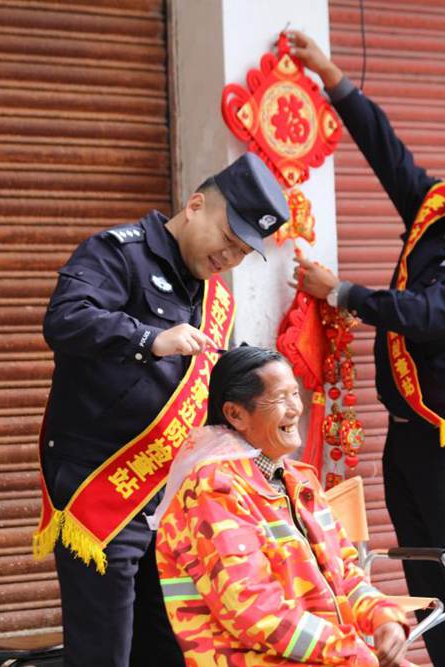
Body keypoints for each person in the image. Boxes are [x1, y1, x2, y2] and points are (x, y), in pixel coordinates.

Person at [285, 31, 445, 667]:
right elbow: (388, 152)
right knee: (429, 579)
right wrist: (332, 78)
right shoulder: (434, 210)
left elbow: (428, 316)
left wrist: (340, 292)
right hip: (408, 439)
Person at [34, 152, 290, 666]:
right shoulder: (117, 255)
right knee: (105, 651)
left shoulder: (214, 297)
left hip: (172, 498)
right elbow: (65, 320)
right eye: (227, 239)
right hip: (104, 486)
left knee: (173, 647)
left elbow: (209, 383)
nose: (229, 257)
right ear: (195, 206)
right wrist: (149, 339)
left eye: (242, 252)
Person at [151, 346, 410, 666]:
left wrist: (383, 618)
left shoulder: (300, 480)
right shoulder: (214, 489)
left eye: (295, 394)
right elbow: (253, 609)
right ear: (235, 414)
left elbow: (345, 574)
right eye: (279, 399)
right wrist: (352, 653)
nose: (295, 409)